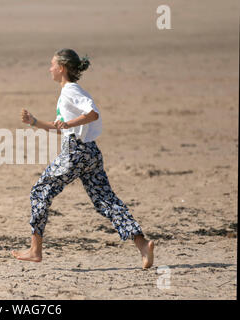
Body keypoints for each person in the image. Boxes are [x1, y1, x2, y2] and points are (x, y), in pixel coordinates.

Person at [11, 48, 154, 269]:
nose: (49, 69)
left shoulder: (70, 91)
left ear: (61, 68)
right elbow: (62, 127)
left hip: (75, 153)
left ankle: (35, 250)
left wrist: (70, 124)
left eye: (52, 65)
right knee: (106, 200)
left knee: (40, 191)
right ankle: (142, 244)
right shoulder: (69, 92)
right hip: (90, 153)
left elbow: (92, 113)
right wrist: (34, 122)